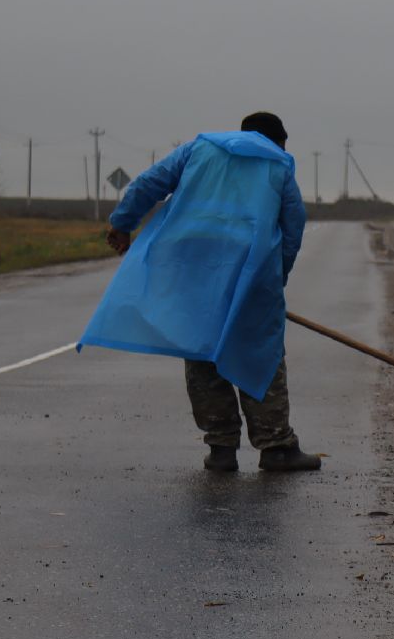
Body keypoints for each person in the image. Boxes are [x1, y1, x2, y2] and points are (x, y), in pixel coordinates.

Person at [77, 111, 320, 472]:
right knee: (258, 352)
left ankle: (221, 448)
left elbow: (149, 183)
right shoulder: (278, 164)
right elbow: (293, 226)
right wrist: (275, 278)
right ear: (278, 140)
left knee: (203, 349)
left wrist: (122, 223)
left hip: (194, 267)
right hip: (249, 270)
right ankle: (276, 448)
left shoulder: (199, 149)